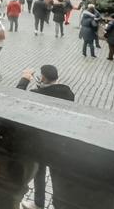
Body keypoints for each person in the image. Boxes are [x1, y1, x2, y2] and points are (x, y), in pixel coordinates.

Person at [16, 65, 75, 209]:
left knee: (39, 172)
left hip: (40, 142)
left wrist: (25, 79)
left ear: (42, 77)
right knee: (57, 175)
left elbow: (16, 98)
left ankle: (38, 203)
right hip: (60, 141)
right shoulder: (68, 92)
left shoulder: (37, 94)